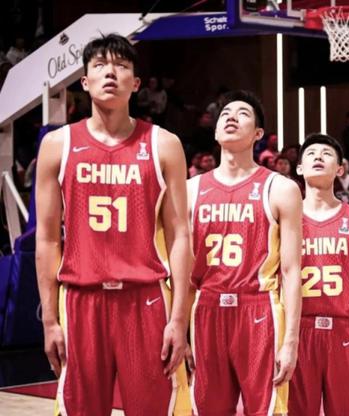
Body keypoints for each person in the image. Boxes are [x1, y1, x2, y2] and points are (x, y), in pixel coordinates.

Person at [35, 34, 191, 415]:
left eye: (121, 66)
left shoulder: (164, 144)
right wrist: (50, 320)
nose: (110, 73)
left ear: (135, 83)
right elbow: (47, 239)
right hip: (81, 299)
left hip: (145, 299)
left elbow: (180, 236)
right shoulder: (57, 145)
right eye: (100, 65)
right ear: (84, 81)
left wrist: (179, 319)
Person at [186, 90, 302, 415]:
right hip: (206, 310)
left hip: (259, 310)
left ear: (258, 134)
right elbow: (180, 272)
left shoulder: (281, 188)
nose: (231, 117)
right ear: (215, 131)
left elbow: (292, 271)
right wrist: (178, 328)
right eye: (225, 114)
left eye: (242, 114)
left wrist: (291, 341)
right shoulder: (190, 190)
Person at [288, 133, 349, 416]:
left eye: (327, 153)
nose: (318, 156)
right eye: (311, 153)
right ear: (299, 168)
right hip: (297, 332)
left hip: (344, 333)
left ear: (340, 169)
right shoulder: (284, 221)